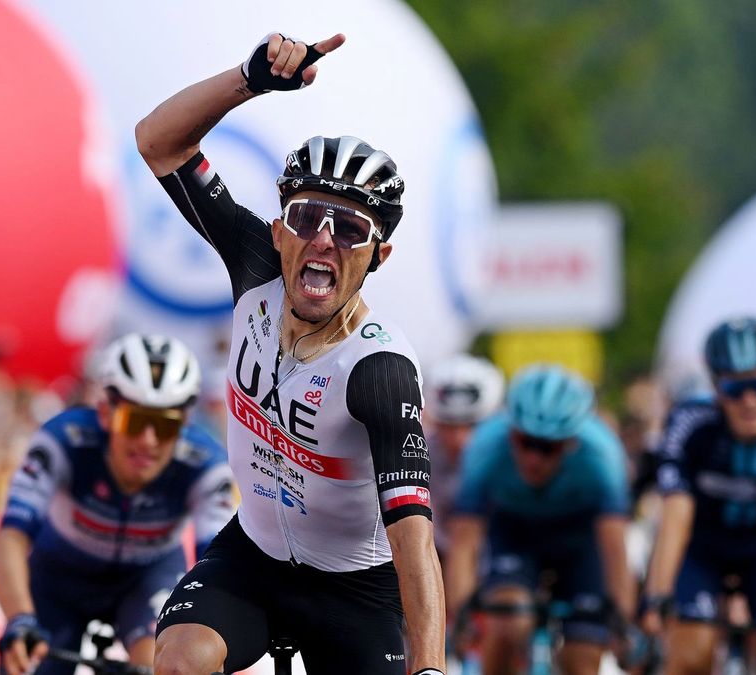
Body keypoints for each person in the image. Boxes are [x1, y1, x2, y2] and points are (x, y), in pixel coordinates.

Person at [135, 32, 445, 675]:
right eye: (307, 218)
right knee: (180, 662)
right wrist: (249, 78)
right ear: (279, 231)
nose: (324, 241)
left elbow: (414, 541)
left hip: (357, 591)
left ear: (377, 256)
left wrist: (433, 667)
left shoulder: (380, 371)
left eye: (352, 230)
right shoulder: (255, 266)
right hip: (254, 558)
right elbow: (158, 141)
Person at [0, 333, 234, 675]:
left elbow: (218, 567)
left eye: (165, 425)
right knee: (28, 662)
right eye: (134, 421)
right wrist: (19, 619)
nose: (148, 441)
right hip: (60, 576)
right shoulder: (63, 440)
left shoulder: (207, 465)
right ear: (105, 413)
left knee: (164, 666)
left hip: (148, 576)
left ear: (184, 426)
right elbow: (11, 537)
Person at [640, 317, 756, 675]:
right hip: (703, 550)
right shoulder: (690, 422)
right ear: (716, 388)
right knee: (690, 656)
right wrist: (657, 597)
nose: (750, 401)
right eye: (735, 389)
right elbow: (675, 517)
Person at [445, 364, 633, 675]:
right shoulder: (485, 445)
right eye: (525, 441)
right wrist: (462, 613)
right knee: (508, 623)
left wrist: (623, 621)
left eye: (548, 447)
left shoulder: (602, 454)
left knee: (583, 659)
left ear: (571, 441)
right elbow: (465, 540)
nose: (534, 458)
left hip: (580, 542)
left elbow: (615, 548)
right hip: (515, 533)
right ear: (511, 431)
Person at [423, 354, 505, 559]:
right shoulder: (418, 454)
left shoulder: (513, 456)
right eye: (447, 425)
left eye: (472, 425)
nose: (460, 439)